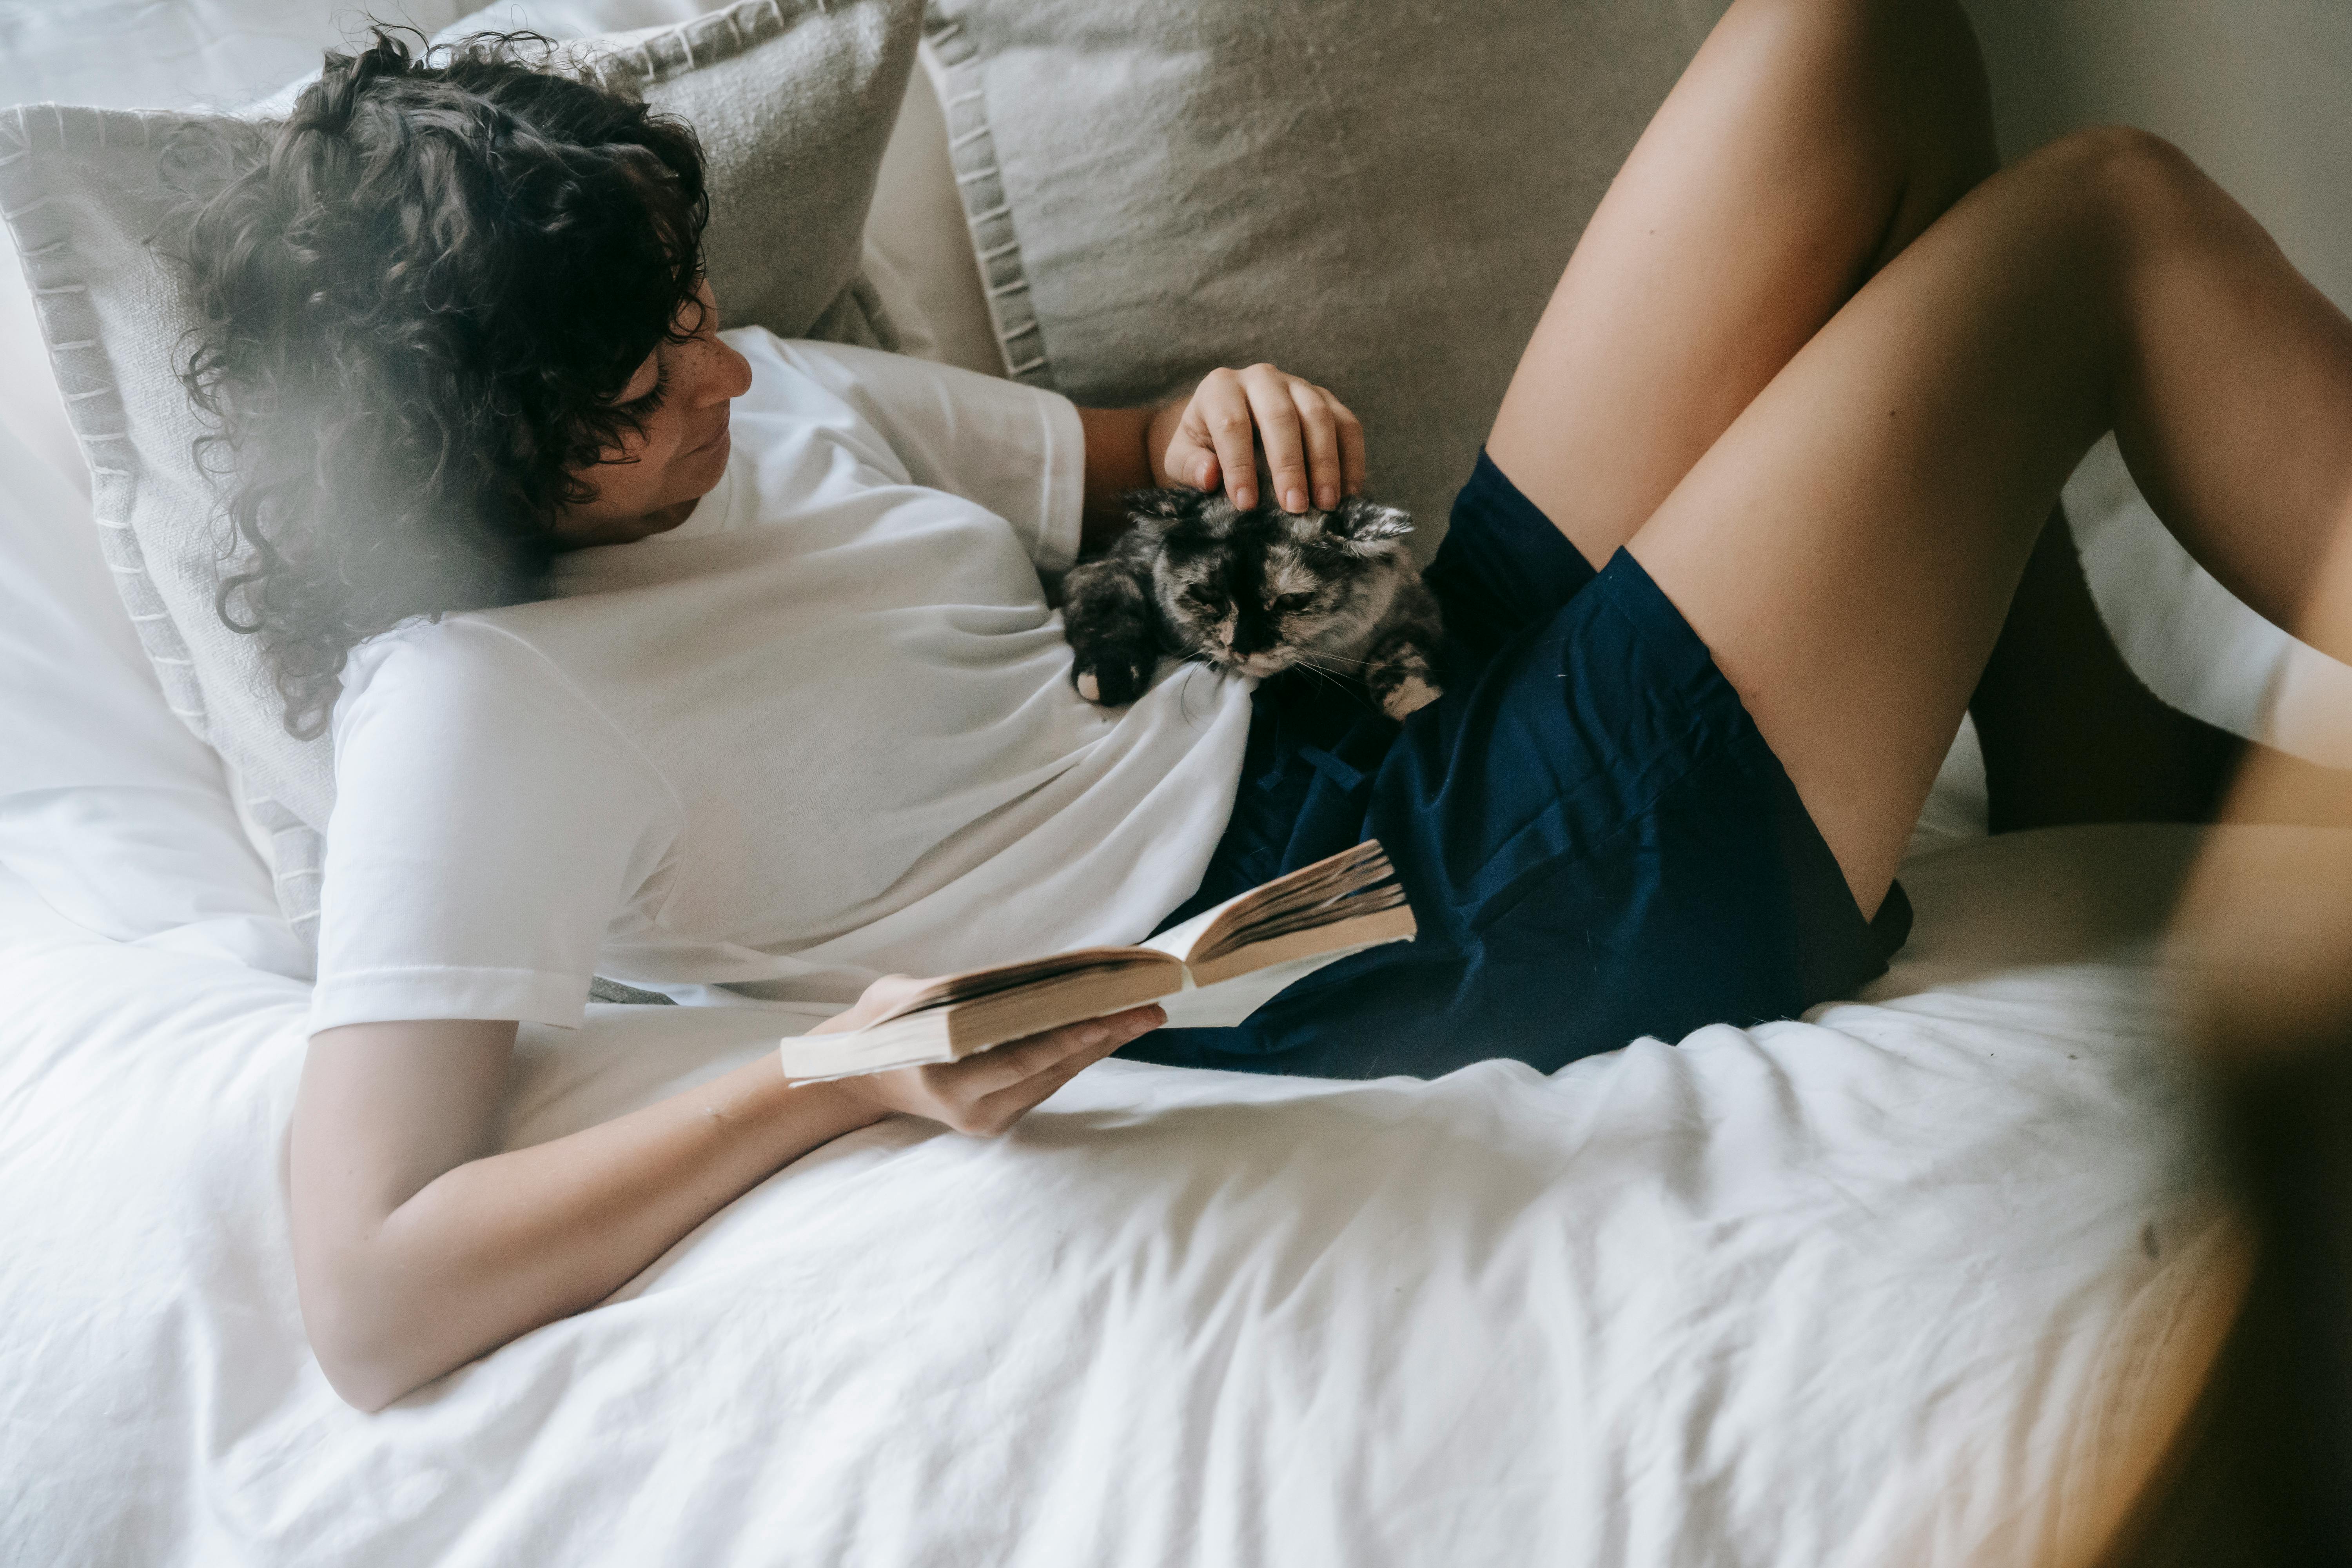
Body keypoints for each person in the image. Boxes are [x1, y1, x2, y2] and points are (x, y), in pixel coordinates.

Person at [177, 1, 2352, 1409]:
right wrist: (821, 1088)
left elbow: (1123, 455)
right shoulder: (470, 706)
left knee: (1858, 47)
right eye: (655, 386)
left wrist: (1214, 411)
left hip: (1375, 713)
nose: (733, 373)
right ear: (478, 462)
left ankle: (2071, 733)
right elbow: (369, 1291)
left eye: (700, 302)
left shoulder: (753, 404)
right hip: (1399, 928)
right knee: (2098, 227)